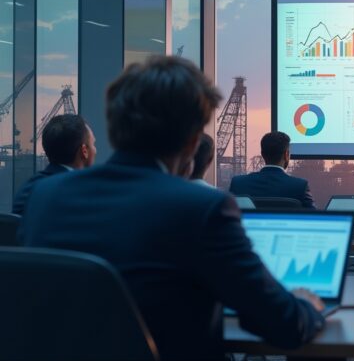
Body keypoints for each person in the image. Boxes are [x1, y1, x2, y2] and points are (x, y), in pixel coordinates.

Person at [19, 56, 325, 360]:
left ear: (114, 129)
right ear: (193, 142)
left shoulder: (45, 196)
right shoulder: (201, 209)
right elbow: (280, 324)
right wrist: (307, 306)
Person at [12, 114, 97, 215]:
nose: (95, 150)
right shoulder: (82, 195)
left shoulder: (28, 189)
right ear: (84, 151)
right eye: (93, 144)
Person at [229, 131, 316, 208]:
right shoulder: (300, 186)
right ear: (286, 155)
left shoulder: (238, 184)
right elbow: (315, 219)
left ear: (262, 154)